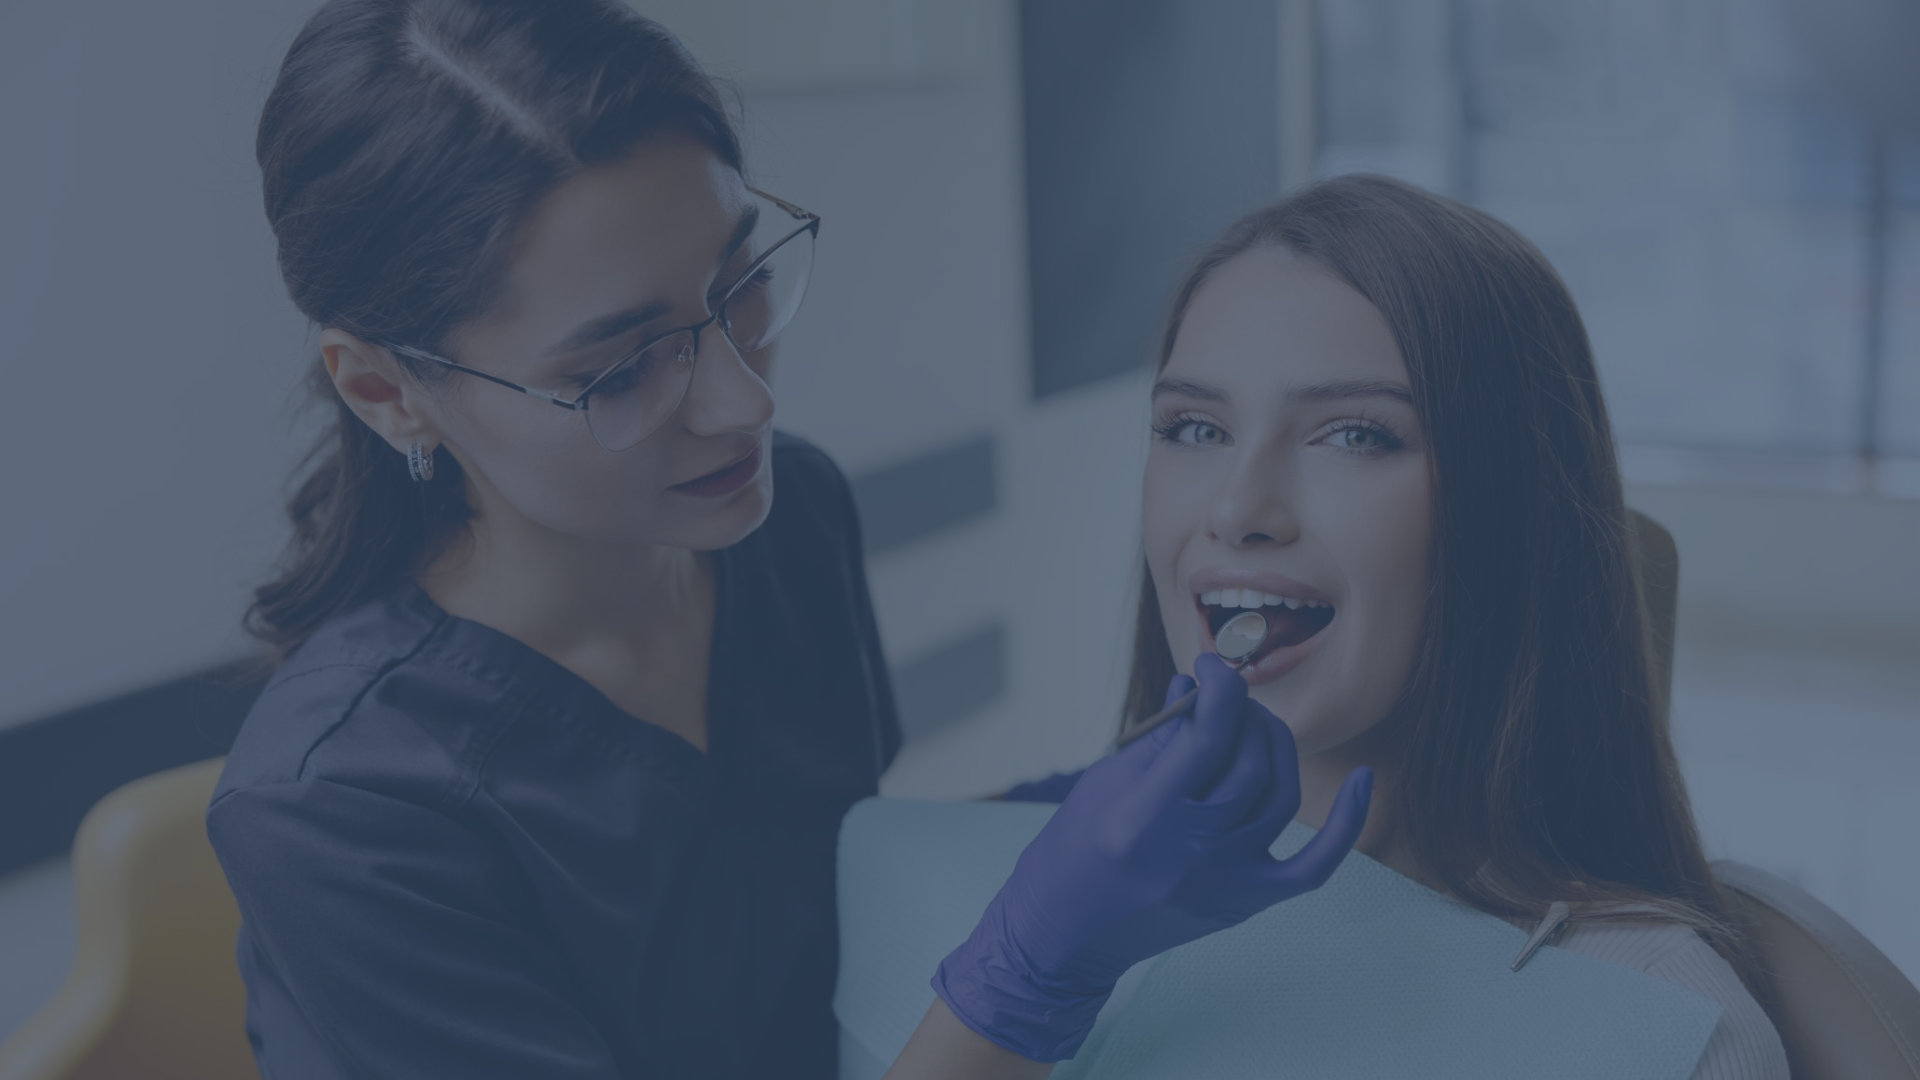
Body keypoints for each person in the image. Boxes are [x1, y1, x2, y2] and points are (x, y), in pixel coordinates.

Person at [205, 1, 1369, 1077]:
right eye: (618, 366)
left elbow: (801, 883)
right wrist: (1028, 969)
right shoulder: (340, 809)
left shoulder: (783, 519)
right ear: (383, 390)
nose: (743, 405)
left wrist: (1093, 815)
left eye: (738, 282)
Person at [1003, 174, 1790, 1077]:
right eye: (1193, 426)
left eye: (1353, 435)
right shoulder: (1045, 896)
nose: (1235, 507)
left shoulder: (1667, 1025)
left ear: (1510, 510)